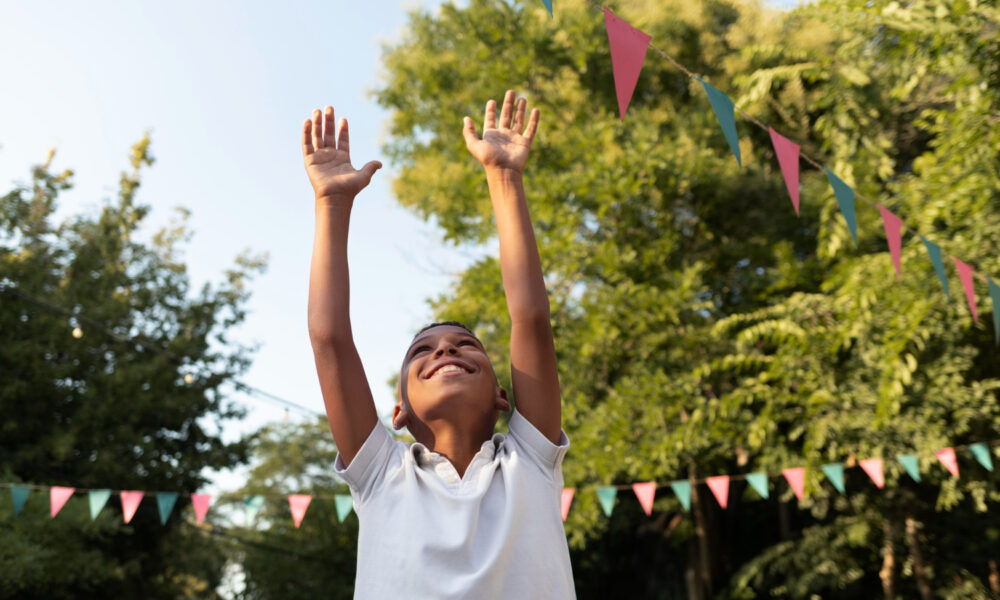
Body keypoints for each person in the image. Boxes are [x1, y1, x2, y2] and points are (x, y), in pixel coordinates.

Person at [303, 90, 575, 598]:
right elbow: (330, 340)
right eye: (422, 352)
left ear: (504, 396)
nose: (445, 351)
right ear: (399, 411)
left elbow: (532, 318)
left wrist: (505, 178)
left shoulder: (530, 460)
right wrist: (331, 203)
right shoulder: (382, 472)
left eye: (465, 345)